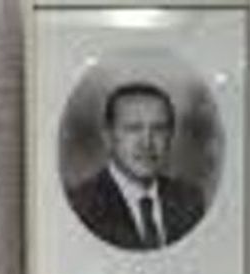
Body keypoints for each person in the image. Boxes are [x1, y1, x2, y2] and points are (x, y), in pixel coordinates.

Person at [66, 82, 206, 251]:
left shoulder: (189, 201)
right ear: (108, 137)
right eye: (133, 129)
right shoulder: (83, 206)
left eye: (159, 129)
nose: (147, 143)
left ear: (170, 136)